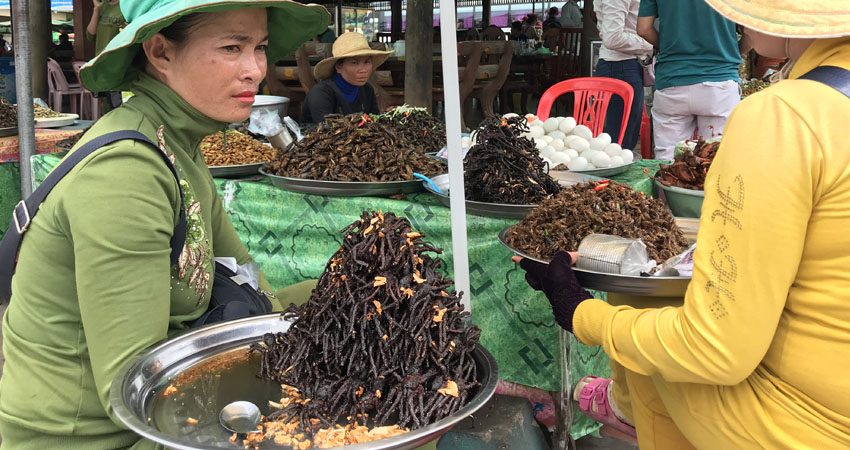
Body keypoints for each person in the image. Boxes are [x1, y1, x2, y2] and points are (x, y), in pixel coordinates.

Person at [514, 0, 850, 448]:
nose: (734, 19)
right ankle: (623, 404)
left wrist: (579, 310)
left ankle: (627, 407)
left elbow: (716, 351)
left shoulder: (784, 115)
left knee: (639, 319)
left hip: (808, 423)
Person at [0, 0, 330, 448]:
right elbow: (134, 388)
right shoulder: (126, 173)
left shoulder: (179, 144)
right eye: (233, 47)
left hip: (166, 384)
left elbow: (252, 282)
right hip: (102, 433)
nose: (255, 69)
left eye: (260, 47)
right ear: (160, 53)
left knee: (357, 300)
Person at [637, 0, 741, 160]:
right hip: (719, 82)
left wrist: (667, 47)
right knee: (716, 161)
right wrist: (731, 52)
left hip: (671, 80)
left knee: (668, 164)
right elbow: (753, 33)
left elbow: (643, 28)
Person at [593, 0, 653, 150]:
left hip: (624, 64)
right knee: (621, 144)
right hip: (620, 66)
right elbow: (613, 37)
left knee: (624, 140)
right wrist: (652, 43)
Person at [301, 32, 391, 125]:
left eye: (367, 62)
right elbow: (327, 131)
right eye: (354, 63)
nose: (363, 70)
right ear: (339, 67)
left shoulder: (367, 90)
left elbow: (375, 122)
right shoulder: (321, 93)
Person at [87, 0, 127, 109]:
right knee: (107, 105)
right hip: (102, 64)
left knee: (119, 106)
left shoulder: (126, 6)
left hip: (119, 65)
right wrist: (96, 11)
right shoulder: (103, 6)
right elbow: (90, 35)